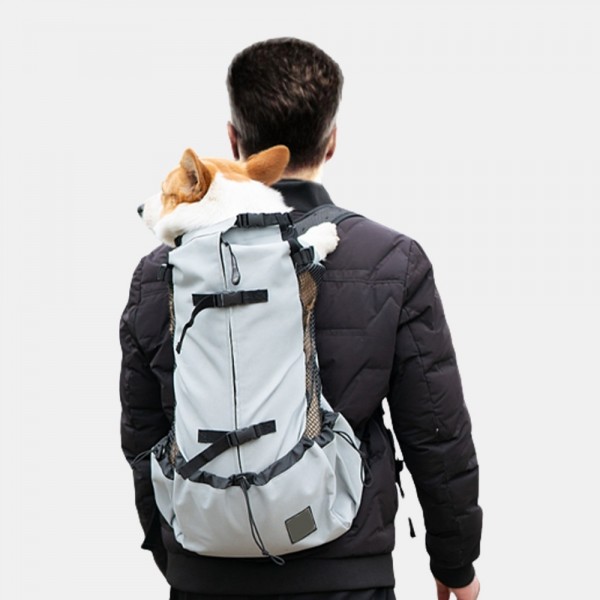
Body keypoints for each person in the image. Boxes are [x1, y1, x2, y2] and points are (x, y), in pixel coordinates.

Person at [120, 37, 482, 600]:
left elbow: (144, 442)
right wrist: (455, 566)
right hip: (346, 576)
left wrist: (181, 561)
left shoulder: (162, 272)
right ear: (332, 139)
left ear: (235, 140)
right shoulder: (391, 261)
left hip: (206, 576)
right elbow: (436, 432)